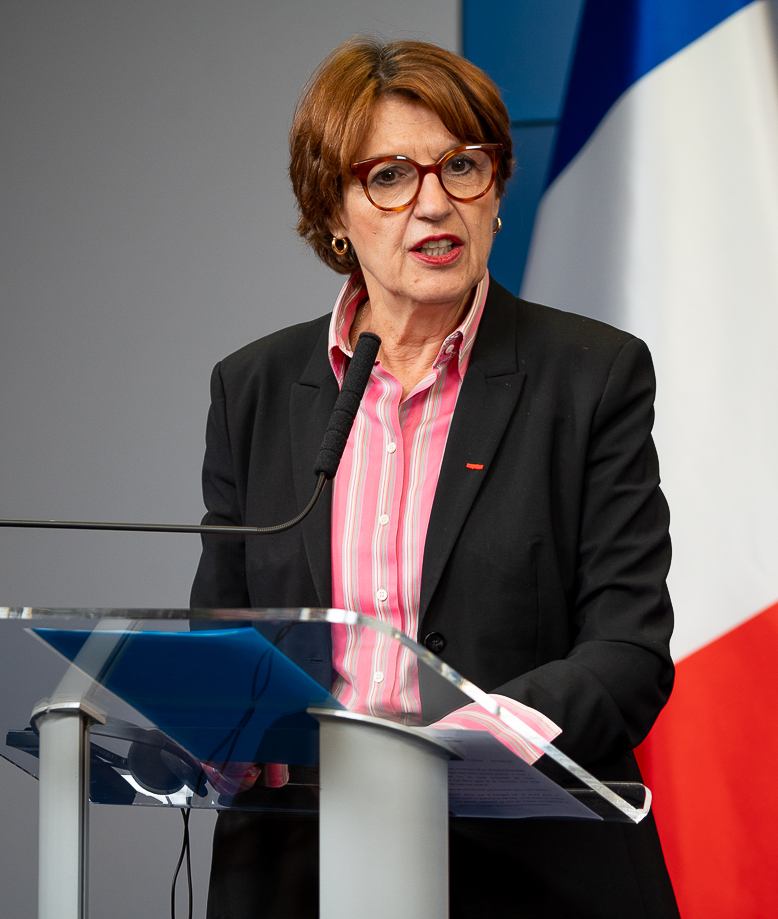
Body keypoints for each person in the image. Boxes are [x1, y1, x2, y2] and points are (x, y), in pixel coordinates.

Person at [190, 36, 678, 919]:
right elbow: (224, 632)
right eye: (389, 176)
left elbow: (628, 650)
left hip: (526, 866)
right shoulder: (253, 388)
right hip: (301, 864)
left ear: (496, 189)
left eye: (462, 165)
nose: (434, 203)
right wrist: (211, 722)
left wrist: (467, 743)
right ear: (333, 211)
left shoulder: (591, 376)